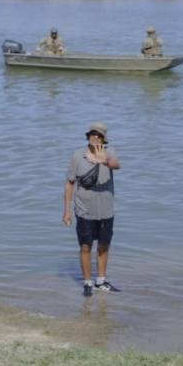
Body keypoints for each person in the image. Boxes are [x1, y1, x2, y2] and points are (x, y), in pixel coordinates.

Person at [63, 122, 120, 296]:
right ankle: (87, 282)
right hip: (84, 210)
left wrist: (105, 161)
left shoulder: (109, 153)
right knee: (86, 246)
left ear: (104, 138)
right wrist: (66, 211)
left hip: (106, 210)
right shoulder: (77, 155)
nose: (96, 137)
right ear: (88, 136)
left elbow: (117, 165)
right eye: (93, 134)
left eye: (99, 135)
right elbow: (70, 183)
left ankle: (101, 281)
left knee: (104, 245)